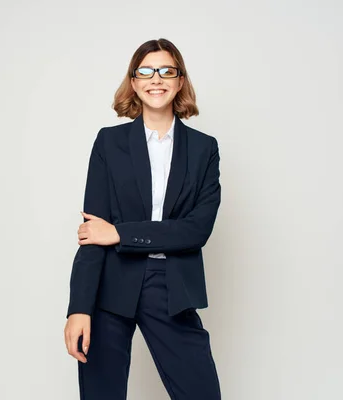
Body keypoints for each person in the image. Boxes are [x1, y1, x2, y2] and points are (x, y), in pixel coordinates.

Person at [64, 38, 222, 400]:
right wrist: (78, 309)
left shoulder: (203, 149)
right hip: (110, 284)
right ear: (133, 82)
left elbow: (196, 229)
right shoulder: (109, 142)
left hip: (171, 285)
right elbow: (92, 234)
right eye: (146, 71)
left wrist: (118, 233)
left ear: (180, 81)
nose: (157, 79)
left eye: (167, 71)